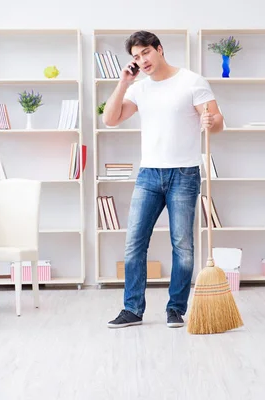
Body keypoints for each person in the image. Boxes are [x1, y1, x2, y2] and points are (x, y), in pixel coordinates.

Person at [104, 31, 224, 328]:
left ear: (159, 50)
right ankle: (132, 309)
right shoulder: (139, 89)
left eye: (145, 52)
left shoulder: (191, 81)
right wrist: (123, 83)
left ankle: (176, 309)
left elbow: (217, 123)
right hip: (148, 174)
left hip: (184, 173)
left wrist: (211, 121)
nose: (141, 60)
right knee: (134, 243)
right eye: (135, 56)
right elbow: (110, 119)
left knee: (182, 244)